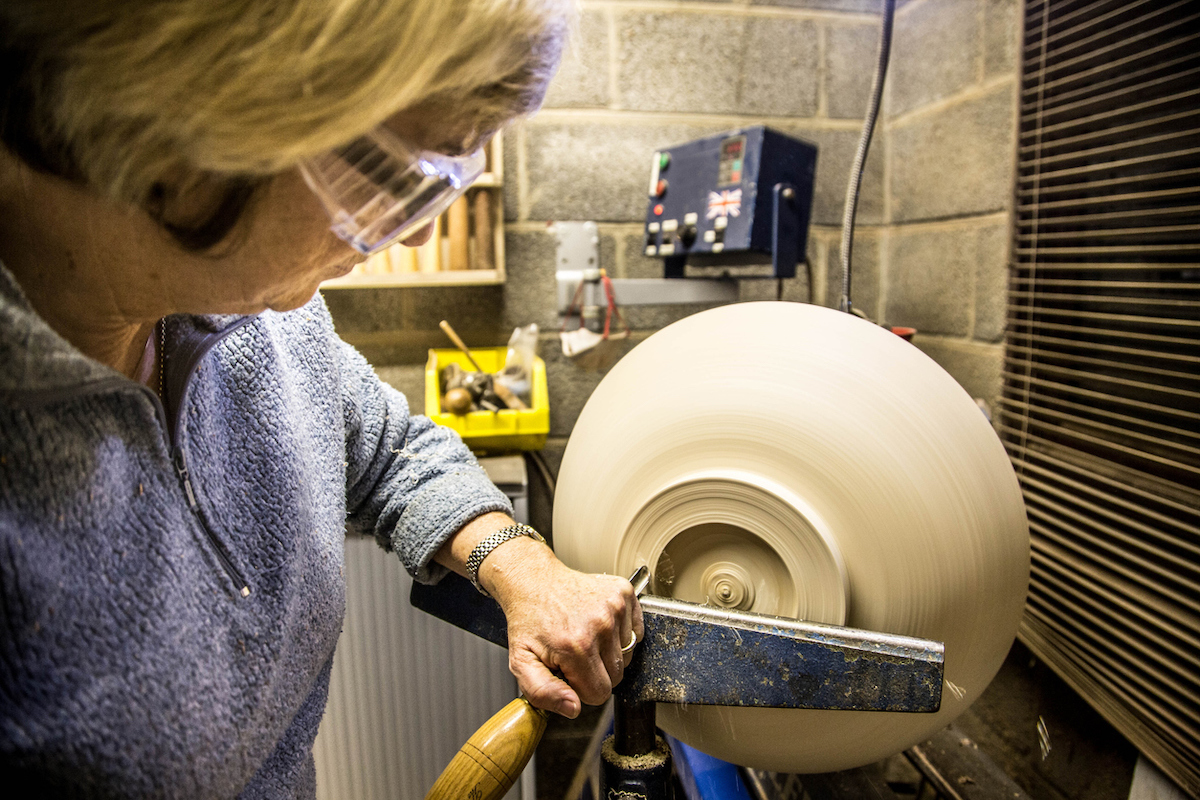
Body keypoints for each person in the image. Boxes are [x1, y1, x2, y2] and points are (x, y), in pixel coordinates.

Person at [0, 0, 642, 795]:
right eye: (389, 181)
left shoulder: (268, 318)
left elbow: (385, 452)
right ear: (184, 126)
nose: (409, 235)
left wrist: (518, 565)